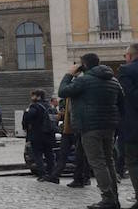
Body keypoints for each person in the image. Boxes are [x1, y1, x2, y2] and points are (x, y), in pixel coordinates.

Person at [59, 53, 125, 209]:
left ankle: (108, 199)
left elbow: (62, 91)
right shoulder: (114, 81)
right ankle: (114, 198)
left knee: (97, 162)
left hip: (89, 127)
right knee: (109, 161)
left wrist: (69, 74)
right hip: (109, 127)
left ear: (84, 65)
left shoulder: (83, 81)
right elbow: (122, 104)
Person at [118, 43, 138, 208]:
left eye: (126, 56)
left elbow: (129, 98)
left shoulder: (126, 71)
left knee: (133, 161)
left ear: (130, 56)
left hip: (134, 125)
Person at [22, 89, 57, 182]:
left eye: (33, 96)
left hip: (37, 134)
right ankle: (51, 174)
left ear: (38, 97)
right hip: (49, 134)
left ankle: (42, 174)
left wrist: (26, 114)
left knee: (38, 155)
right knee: (49, 154)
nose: (31, 98)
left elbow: (28, 117)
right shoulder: (50, 106)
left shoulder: (34, 106)